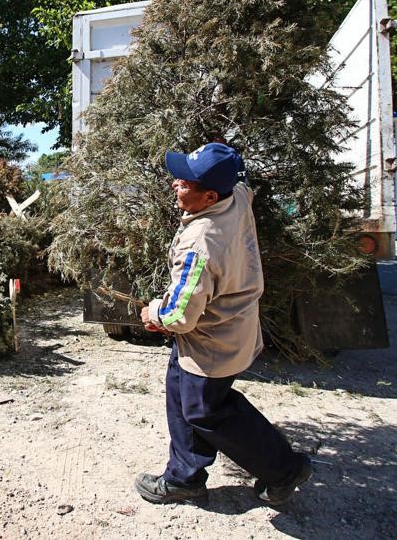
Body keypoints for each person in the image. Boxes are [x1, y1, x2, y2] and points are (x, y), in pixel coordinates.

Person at [133, 142, 312, 507]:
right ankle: (185, 477)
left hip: (213, 343)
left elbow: (180, 317)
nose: (175, 186)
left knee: (207, 411)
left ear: (209, 195)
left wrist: (154, 314)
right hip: (221, 333)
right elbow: (241, 174)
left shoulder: (200, 244)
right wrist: (223, 156)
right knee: (181, 395)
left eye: (184, 183)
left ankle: (284, 469)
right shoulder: (238, 197)